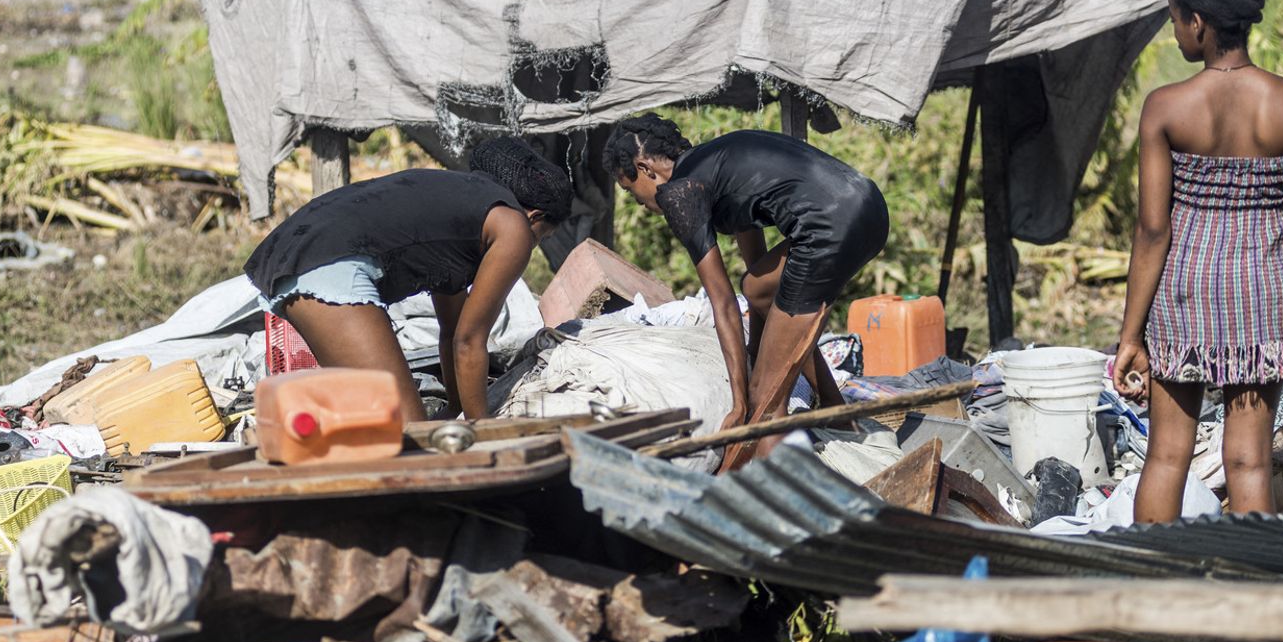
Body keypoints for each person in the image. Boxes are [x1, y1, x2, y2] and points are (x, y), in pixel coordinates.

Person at [1114, 0, 1283, 520]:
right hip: (1263, 291)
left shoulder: (1166, 107)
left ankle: (1155, 585)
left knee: (1166, 457)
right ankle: (1249, 590)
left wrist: (1130, 336)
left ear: (1198, 21)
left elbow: (1152, 232)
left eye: (1174, 18)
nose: (1175, 31)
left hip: (1185, 293)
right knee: (1250, 463)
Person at [603, 114, 889, 470]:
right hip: (869, 206)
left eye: (631, 192)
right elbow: (759, 281)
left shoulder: (678, 193)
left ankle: (770, 501)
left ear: (644, 168)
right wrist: (758, 352)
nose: (642, 205)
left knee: (766, 400)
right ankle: (835, 408)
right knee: (756, 286)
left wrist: (740, 401)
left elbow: (721, 303)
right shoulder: (718, 162)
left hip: (827, 228)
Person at [245, 138, 572, 423]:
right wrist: (481, 430)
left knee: (375, 430)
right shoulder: (513, 226)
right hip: (330, 265)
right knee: (408, 435)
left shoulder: (461, 208)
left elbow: (452, 333)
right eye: (541, 238)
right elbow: (470, 342)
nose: (532, 246)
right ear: (535, 216)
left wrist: (457, 408)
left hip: (288, 255)